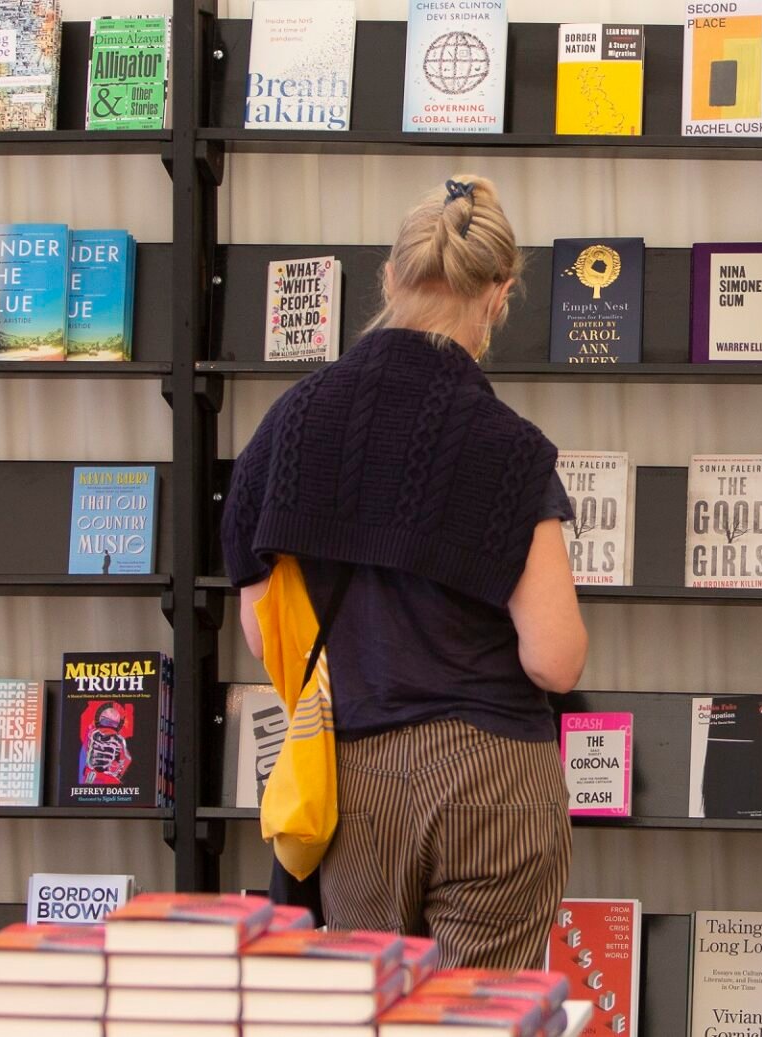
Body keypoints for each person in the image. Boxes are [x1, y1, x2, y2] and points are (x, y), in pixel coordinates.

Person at [223, 175, 586, 969]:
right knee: (479, 1023)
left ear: (389, 277)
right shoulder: (511, 448)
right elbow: (554, 658)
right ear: (498, 294)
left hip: (357, 777)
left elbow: (263, 630)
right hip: (492, 779)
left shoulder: (288, 427)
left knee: (374, 1006)